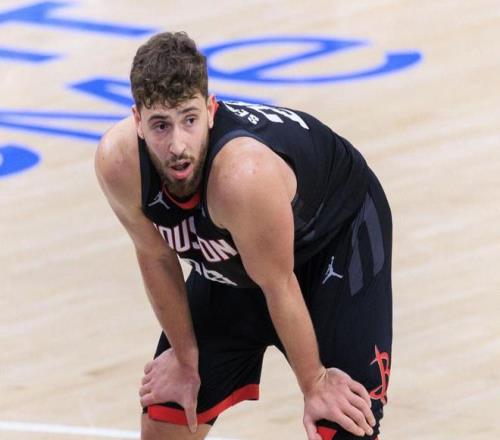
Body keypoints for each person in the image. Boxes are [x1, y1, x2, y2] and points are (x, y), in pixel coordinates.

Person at [95, 31, 393, 440]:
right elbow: (155, 256)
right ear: (138, 122)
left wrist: (315, 382)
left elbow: (279, 283)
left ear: (210, 110)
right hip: (243, 250)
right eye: (161, 125)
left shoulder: (241, 175)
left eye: (189, 119)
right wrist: (185, 358)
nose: (178, 145)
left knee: (342, 424)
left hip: (335, 240)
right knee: (167, 419)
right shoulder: (118, 163)